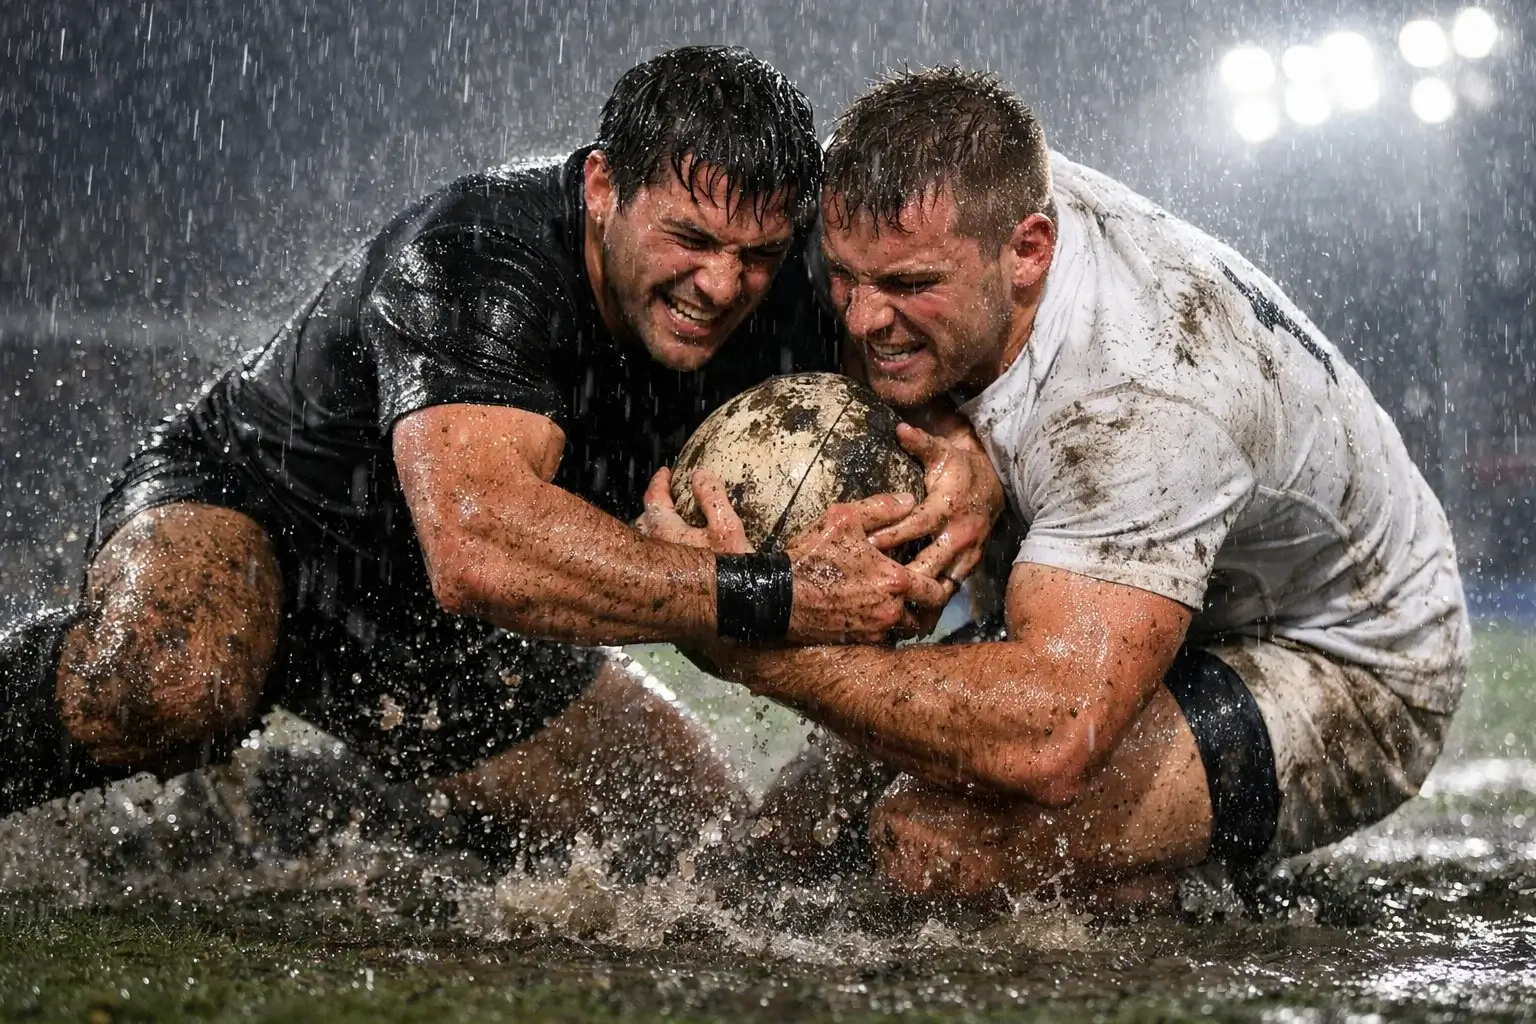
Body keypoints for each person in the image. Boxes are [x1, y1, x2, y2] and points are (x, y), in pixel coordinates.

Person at [0, 48, 988, 859]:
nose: (721, 284)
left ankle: (318, 797)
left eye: (757, 255)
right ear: (604, 186)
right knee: (171, 677)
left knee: (699, 857)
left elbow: (944, 353)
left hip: (452, 629)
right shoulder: (479, 253)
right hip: (261, 511)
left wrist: (964, 460)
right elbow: (477, 545)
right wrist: (773, 592)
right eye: (688, 238)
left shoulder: (805, 278)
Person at [653, 67, 1470, 902]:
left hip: (1340, 655)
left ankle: (1177, 895)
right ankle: (1140, 854)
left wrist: (758, 646)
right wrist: (956, 435)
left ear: (1029, 252)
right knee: (785, 842)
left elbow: (1052, 733)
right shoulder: (928, 200)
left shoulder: (1138, 393)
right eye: (845, 276)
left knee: (936, 845)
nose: (861, 318)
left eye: (908, 286)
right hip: (1126, 585)